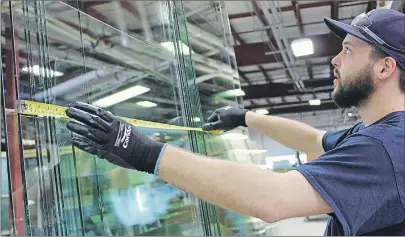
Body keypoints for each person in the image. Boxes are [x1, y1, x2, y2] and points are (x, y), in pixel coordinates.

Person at [65, 8, 405, 236]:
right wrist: (245, 117)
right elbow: (313, 140)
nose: (335, 59)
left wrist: (145, 153)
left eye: (348, 50)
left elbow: (275, 199)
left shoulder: (386, 148)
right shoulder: (376, 134)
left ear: (384, 67)